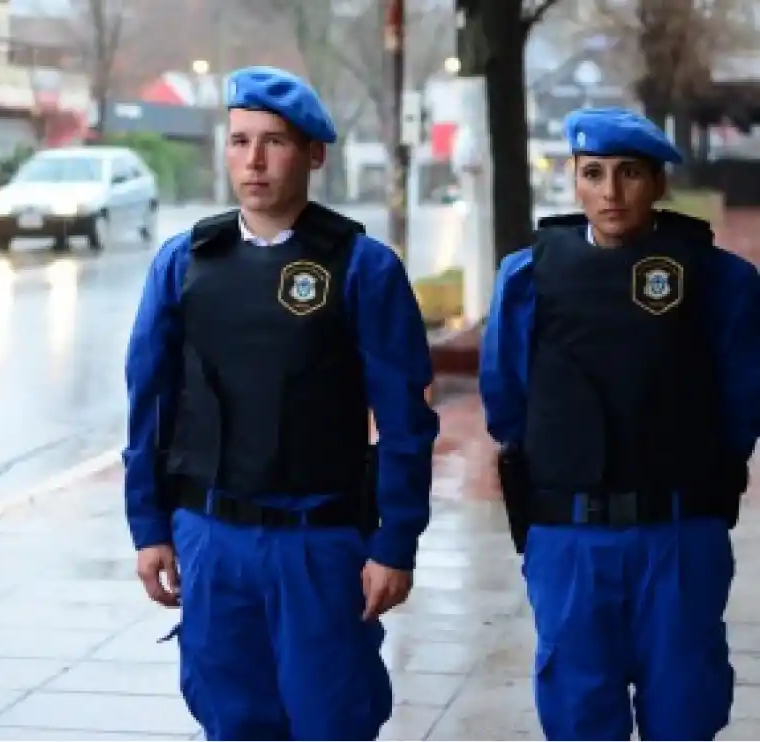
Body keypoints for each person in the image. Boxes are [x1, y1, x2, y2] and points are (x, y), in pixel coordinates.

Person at [123, 65, 438, 742]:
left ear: (314, 154)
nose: (254, 161)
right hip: (212, 537)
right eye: (240, 141)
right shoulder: (184, 263)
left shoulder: (363, 267)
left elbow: (406, 422)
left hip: (318, 543)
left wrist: (396, 542)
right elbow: (149, 405)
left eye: (275, 142)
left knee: (332, 719)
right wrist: (148, 528)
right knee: (231, 719)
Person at [480, 107, 760, 740]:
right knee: (579, 715)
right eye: (594, 173)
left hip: (679, 534)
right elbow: (506, 400)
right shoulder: (526, 278)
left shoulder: (721, 280)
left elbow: (742, 404)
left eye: (629, 173)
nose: (610, 192)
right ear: (574, 180)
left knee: (684, 711)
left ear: (657, 182)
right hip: (571, 536)